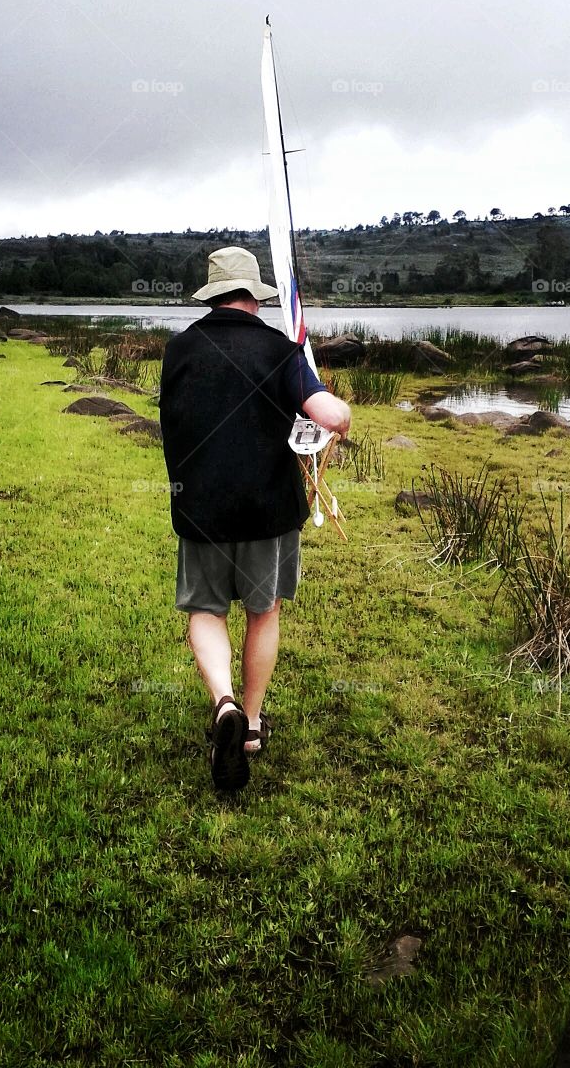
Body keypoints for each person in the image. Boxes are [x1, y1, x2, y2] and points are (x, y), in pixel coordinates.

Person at [159, 246, 351, 792]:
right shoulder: (279, 349)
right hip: (269, 511)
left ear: (213, 295)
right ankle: (252, 726)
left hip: (200, 508)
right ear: (255, 297)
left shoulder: (179, 350)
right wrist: (337, 412)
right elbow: (330, 415)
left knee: (205, 609)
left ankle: (224, 704)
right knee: (263, 611)